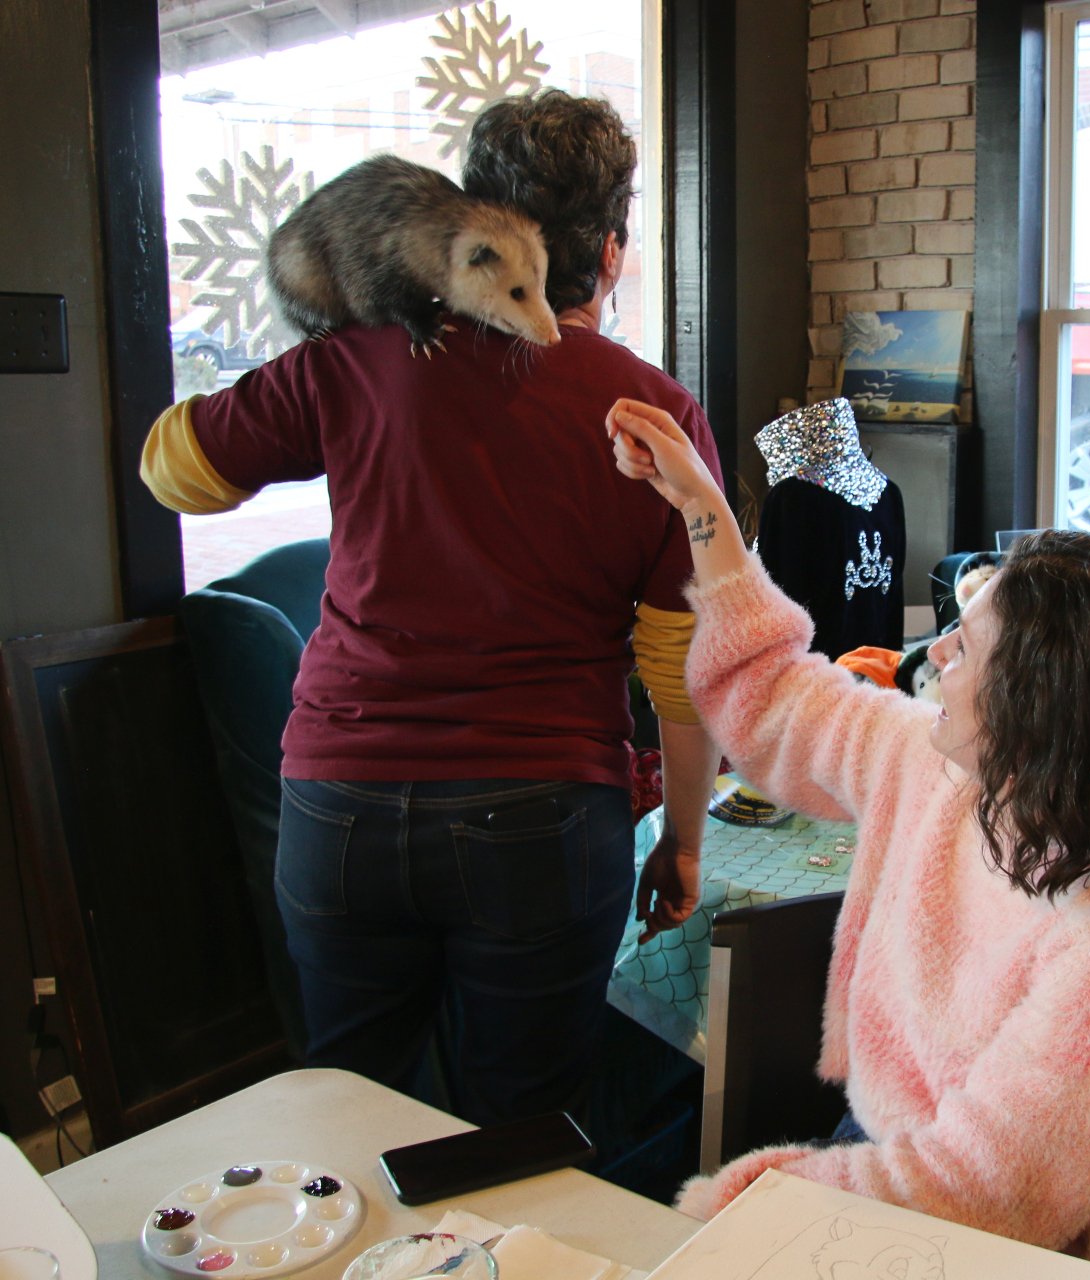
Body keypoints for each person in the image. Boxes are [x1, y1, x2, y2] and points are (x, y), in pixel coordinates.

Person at [138, 90, 723, 1127]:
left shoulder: (355, 361)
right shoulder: (656, 415)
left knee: (351, 1124)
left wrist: (327, 363)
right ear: (616, 250)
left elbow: (175, 472)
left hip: (340, 809)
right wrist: (682, 840)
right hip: (541, 820)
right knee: (521, 1143)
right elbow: (684, 674)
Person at [604, 399, 1090, 1280]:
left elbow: (987, 1192)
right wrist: (700, 505)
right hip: (895, 1144)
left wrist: (745, 1205)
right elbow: (775, 694)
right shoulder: (947, 766)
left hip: (1038, 1247)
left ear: (1037, 702)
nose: (934, 655)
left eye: (965, 646)